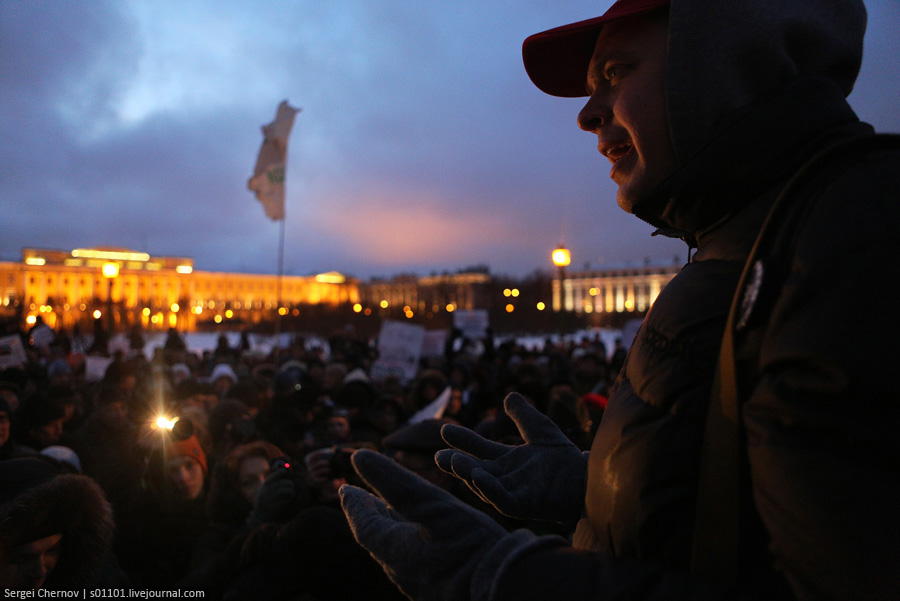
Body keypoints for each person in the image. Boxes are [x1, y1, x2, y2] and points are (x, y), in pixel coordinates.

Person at [339, 1, 900, 600]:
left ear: (720, 62)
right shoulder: (746, 241)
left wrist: (515, 582)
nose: (585, 115)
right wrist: (604, 485)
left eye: (616, 73)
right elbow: (742, 522)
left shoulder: (858, 237)